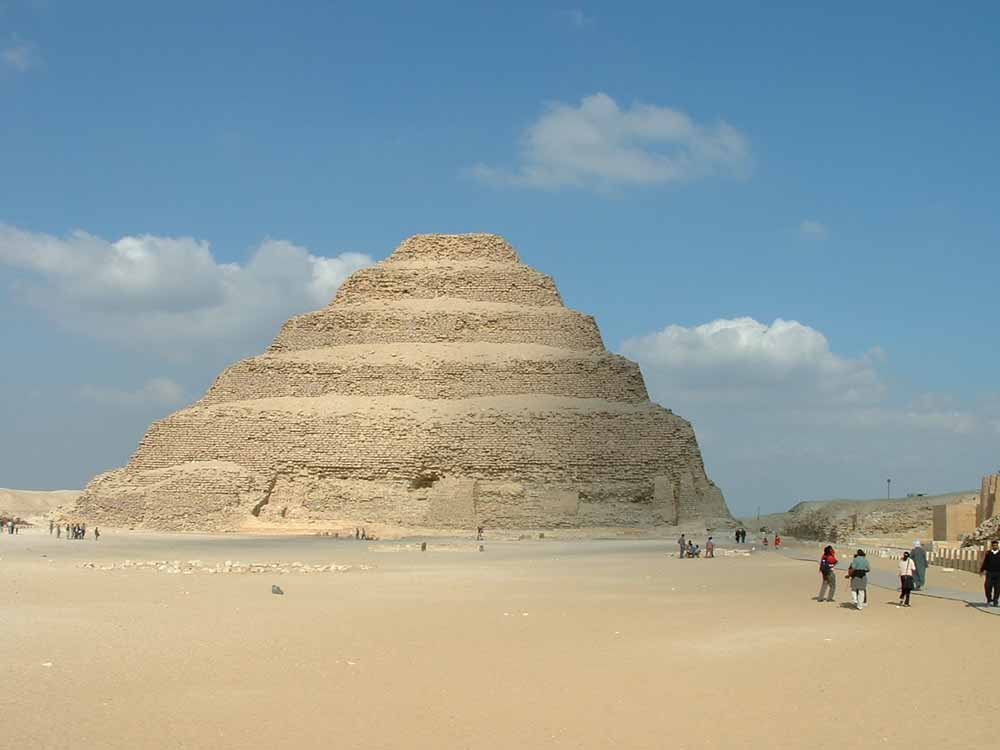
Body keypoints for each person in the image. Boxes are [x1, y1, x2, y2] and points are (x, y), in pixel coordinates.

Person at [980, 539, 1000, 607]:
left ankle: (995, 600)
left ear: (998, 546)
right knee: (987, 586)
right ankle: (989, 599)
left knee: (998, 588)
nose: (995, 546)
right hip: (990, 573)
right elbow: (985, 562)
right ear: (992, 546)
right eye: (993, 545)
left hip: (998, 573)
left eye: (996, 545)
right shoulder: (988, 553)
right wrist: (982, 570)